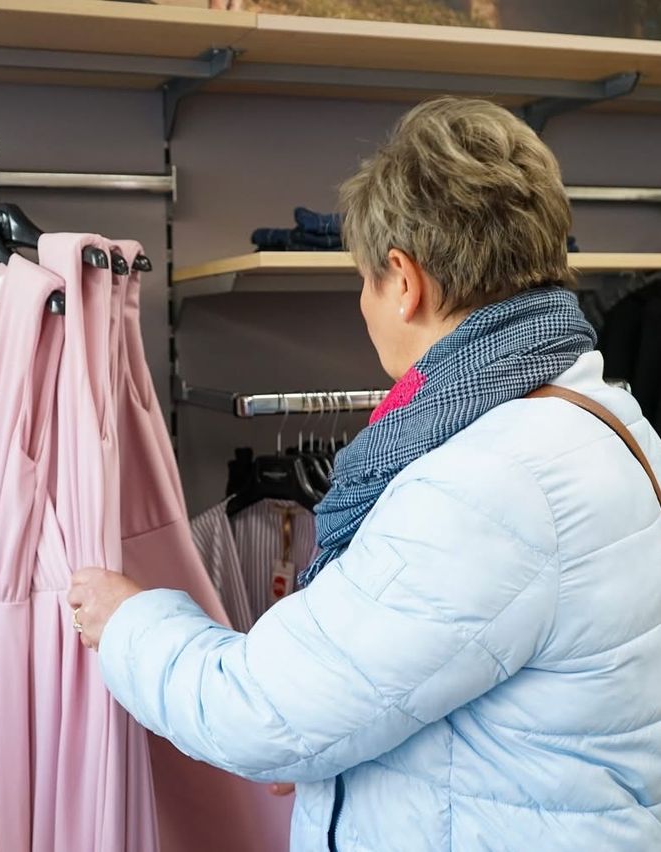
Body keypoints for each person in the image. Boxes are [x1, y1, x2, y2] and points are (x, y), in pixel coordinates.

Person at [68, 97, 661, 850]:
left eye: (366, 281)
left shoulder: (485, 483)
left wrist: (127, 622)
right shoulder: (601, 412)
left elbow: (259, 713)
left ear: (403, 280)